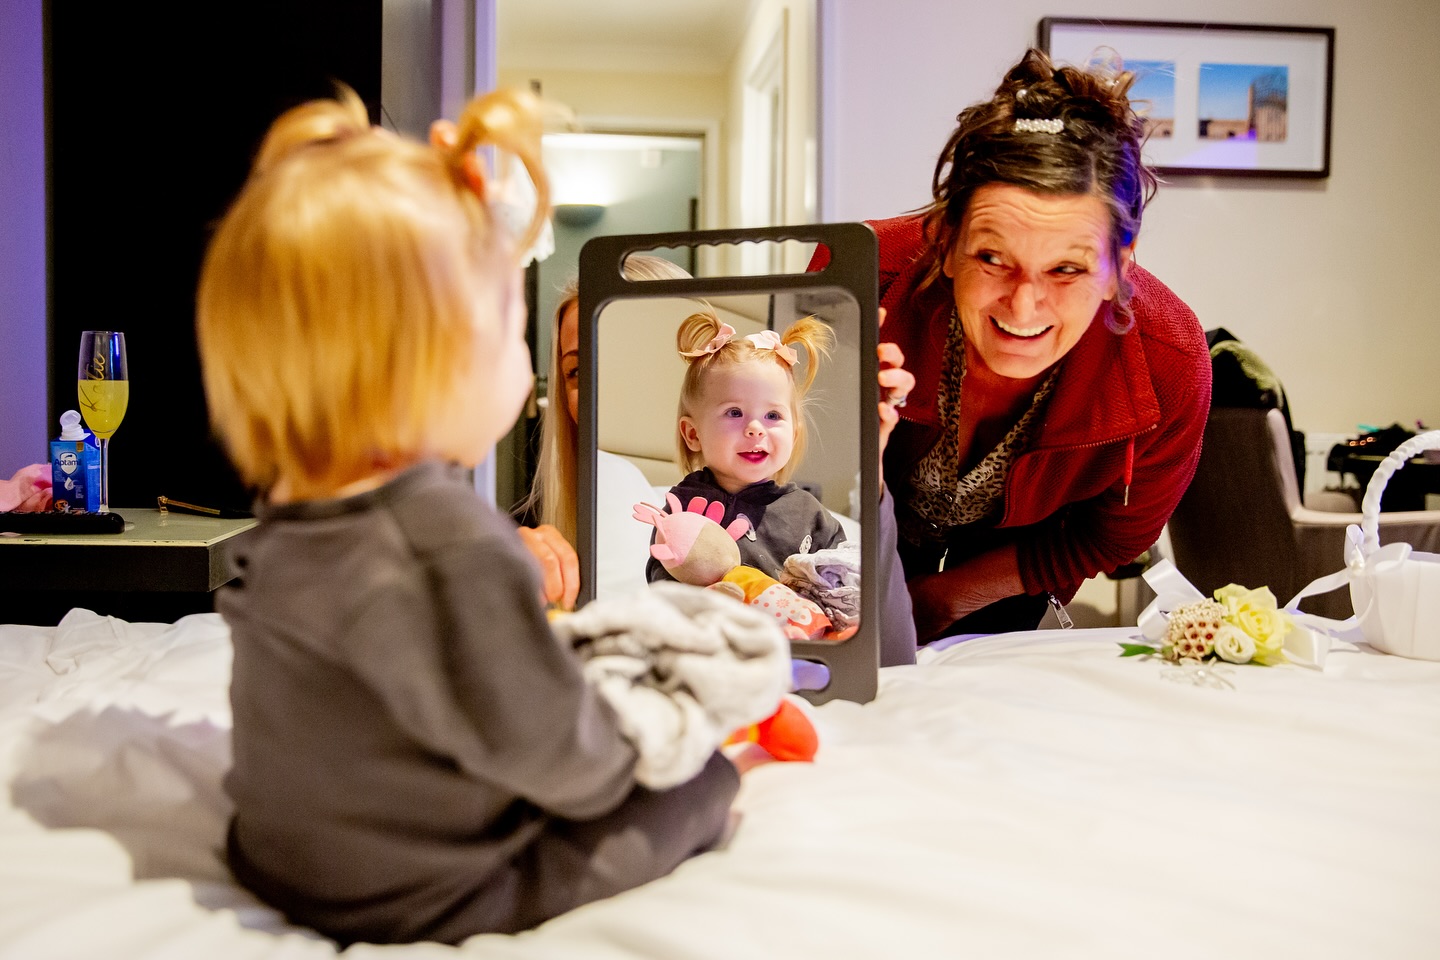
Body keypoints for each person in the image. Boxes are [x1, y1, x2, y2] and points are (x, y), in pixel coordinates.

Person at [195, 86, 741, 945]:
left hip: (281, 854)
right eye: (508, 334)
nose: (527, 374)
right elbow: (568, 763)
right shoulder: (448, 538)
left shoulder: (283, 521)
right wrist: (650, 741)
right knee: (706, 787)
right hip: (422, 889)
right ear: (422, 365)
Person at [815, 49, 1211, 643]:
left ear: (1118, 269)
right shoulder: (857, 278)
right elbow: (795, 467)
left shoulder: (1170, 362)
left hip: (1015, 561)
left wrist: (947, 598)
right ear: (947, 244)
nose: (1023, 307)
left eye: (1068, 270)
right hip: (857, 537)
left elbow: (1113, 534)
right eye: (993, 258)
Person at [515, 254, 694, 608]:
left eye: (626, 363)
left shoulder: (776, 521)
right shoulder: (529, 536)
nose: (601, 389)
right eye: (578, 371)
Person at [646, 311, 841, 584]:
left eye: (772, 416)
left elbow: (844, 578)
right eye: (735, 412)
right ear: (693, 434)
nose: (755, 428)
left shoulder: (809, 515)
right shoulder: (685, 505)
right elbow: (661, 576)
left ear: (793, 435)